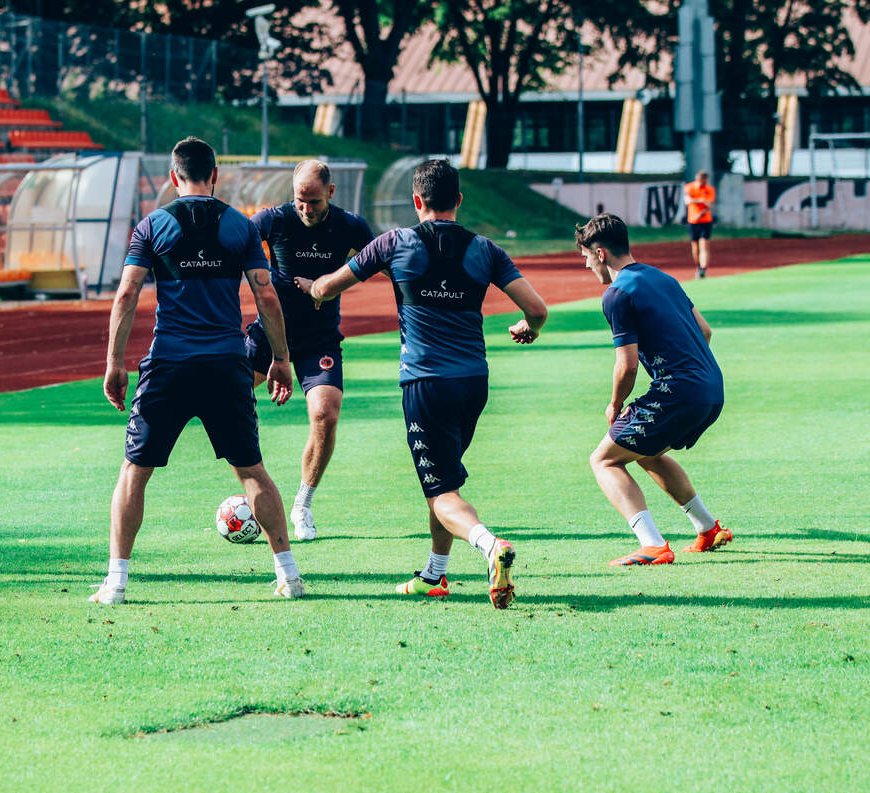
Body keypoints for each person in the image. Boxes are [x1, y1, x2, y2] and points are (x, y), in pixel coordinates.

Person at [297, 159, 548, 609]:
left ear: (416, 200)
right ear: (459, 200)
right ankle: (434, 574)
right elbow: (537, 310)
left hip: (426, 385)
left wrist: (312, 289)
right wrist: (527, 328)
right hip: (473, 383)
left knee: (441, 490)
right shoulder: (486, 249)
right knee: (443, 478)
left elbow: (331, 286)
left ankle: (491, 546)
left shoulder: (394, 242)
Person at [93, 136, 305, 605]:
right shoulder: (240, 226)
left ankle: (116, 583)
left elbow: (126, 294)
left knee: (134, 471)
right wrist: (281, 359)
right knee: (251, 470)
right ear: (215, 176)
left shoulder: (152, 225)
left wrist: (114, 363)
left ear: (174, 177)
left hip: (168, 365)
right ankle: (289, 575)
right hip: (226, 365)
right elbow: (266, 296)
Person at [577, 213, 733, 565]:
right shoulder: (663, 278)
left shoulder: (616, 294)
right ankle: (708, 528)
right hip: (712, 387)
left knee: (603, 460)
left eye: (586, 257)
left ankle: (652, 545)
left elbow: (627, 365)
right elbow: (705, 331)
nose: (587, 266)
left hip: (680, 391)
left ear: (600, 253)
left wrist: (614, 404)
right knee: (646, 452)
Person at [246, 160, 374, 541]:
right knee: (224, 399)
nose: (306, 209)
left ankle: (302, 504)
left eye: (314, 202)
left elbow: (382, 263)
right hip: (270, 335)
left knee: (325, 414)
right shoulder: (274, 220)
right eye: (300, 200)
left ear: (331, 193)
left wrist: (328, 285)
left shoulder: (350, 226)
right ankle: (252, 489)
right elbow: (234, 243)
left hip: (319, 339)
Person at [683, 170, 715, 279]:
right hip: (692, 221)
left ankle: (703, 269)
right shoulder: (689, 187)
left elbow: (709, 205)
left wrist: (700, 214)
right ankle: (698, 266)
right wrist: (701, 200)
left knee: (704, 245)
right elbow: (687, 201)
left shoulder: (709, 189)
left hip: (705, 221)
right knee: (695, 246)